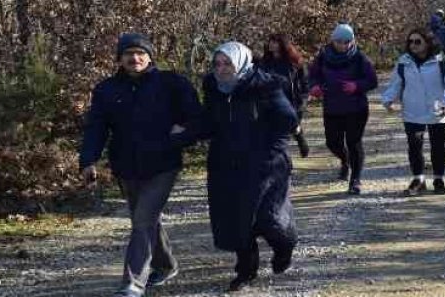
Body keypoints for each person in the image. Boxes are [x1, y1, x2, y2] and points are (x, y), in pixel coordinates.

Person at [79, 33, 202, 297]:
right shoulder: (107, 90)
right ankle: (167, 265)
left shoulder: (172, 84)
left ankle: (133, 283)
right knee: (145, 220)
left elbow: (197, 118)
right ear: (120, 58)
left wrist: (182, 133)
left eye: (140, 53)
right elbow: (96, 128)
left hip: (163, 164)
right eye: (128, 54)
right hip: (126, 166)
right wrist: (89, 160)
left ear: (150, 56)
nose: (135, 58)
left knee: (142, 220)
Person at [195, 41, 299, 292]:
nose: (221, 69)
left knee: (267, 218)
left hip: (265, 164)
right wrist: (182, 133)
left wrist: (272, 151)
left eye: (227, 63)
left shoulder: (264, 85)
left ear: (241, 62)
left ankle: (284, 246)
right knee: (237, 220)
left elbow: (288, 121)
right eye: (217, 64)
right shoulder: (212, 87)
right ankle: (245, 271)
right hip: (226, 164)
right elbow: (209, 122)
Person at [382, 29, 445, 195]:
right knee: (414, 146)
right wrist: (388, 99)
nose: (413, 45)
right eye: (410, 42)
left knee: (438, 146)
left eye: (418, 41)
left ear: (428, 43)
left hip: (438, 111)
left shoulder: (442, 62)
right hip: (413, 111)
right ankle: (418, 179)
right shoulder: (404, 62)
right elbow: (395, 83)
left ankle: (438, 178)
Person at [308, 23, 378, 195]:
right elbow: (312, 75)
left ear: (352, 41)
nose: (343, 45)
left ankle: (355, 179)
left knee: (354, 142)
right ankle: (345, 161)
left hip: (356, 108)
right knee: (332, 142)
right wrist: (315, 87)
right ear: (333, 41)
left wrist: (357, 86)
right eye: (339, 41)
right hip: (332, 107)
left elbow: (372, 81)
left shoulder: (360, 58)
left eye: (347, 41)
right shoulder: (323, 57)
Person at [257, 33, 310, 157]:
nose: (271, 44)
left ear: (282, 44)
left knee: (290, 127)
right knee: (278, 137)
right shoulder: (264, 62)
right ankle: (283, 161)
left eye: (275, 42)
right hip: (271, 103)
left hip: (291, 102)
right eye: (270, 41)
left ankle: (299, 135)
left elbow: (305, 82)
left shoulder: (294, 62)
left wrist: (303, 100)